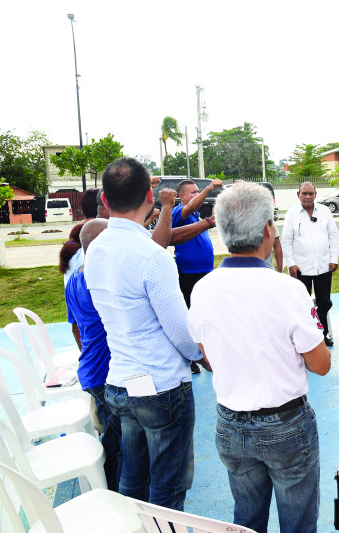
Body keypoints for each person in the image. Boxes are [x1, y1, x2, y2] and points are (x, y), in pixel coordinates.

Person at [186, 182, 331, 533]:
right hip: (286, 425)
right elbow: (320, 364)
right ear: (269, 229)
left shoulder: (203, 289)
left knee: (247, 518)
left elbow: (208, 357)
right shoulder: (288, 290)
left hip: (231, 423)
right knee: (297, 522)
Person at [83, 157, 209, 511]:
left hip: (123, 382)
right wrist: (202, 356)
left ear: (105, 201)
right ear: (149, 198)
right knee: (168, 486)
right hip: (161, 387)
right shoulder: (152, 256)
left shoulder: (95, 250)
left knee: (132, 479)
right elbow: (180, 330)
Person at [65, 218, 120, 492]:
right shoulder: (98, 282)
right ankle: (112, 493)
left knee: (113, 433)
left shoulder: (75, 278)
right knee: (118, 441)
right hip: (106, 373)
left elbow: (76, 329)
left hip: (93, 370)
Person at [283, 182, 339, 346]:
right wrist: (291, 264)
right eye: (304, 193)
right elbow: (286, 242)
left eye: (311, 193)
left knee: (324, 303)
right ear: (298, 194)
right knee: (301, 305)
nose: (307, 197)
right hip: (301, 268)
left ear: (315, 194)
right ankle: (303, 337)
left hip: (323, 266)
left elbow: (334, 237)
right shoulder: (292, 214)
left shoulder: (324, 212)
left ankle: (323, 335)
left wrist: (334, 259)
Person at [172, 178, 224, 307]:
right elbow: (190, 207)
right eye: (193, 193)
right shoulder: (179, 211)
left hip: (204, 271)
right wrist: (209, 189)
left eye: (198, 192)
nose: (197, 194)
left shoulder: (196, 215)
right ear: (181, 196)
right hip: (189, 273)